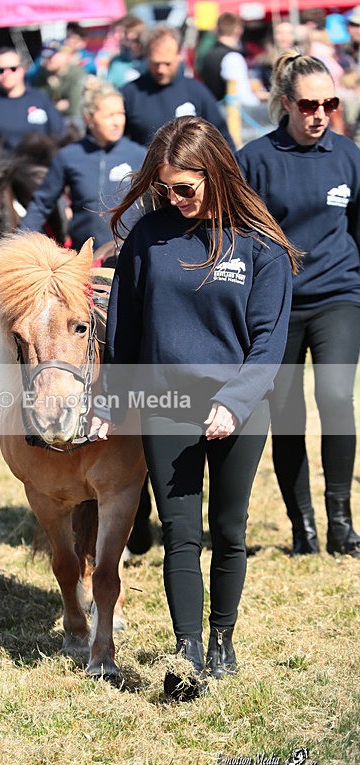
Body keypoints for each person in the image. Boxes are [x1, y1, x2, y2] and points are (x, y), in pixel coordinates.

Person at [90, 115, 297, 700]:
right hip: (165, 402)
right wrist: (111, 398)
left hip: (241, 407)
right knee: (181, 532)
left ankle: (223, 639)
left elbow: (269, 340)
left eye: (186, 187)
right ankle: (187, 653)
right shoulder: (147, 239)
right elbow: (124, 332)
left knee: (228, 530)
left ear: (217, 173)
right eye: (165, 188)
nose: (174, 198)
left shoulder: (261, 245)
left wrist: (233, 403)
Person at [237, 52, 360, 559]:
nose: (319, 114)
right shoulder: (254, 159)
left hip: (339, 297)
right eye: (309, 104)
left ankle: (341, 522)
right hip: (278, 305)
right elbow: (240, 237)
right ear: (285, 102)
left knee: (334, 396)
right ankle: (302, 528)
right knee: (286, 414)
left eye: (329, 103)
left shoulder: (349, 155)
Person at [20, 77, 146, 250]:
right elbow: (41, 204)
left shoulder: (139, 155)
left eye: (121, 113)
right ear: (89, 119)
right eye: (109, 116)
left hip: (131, 253)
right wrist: (18, 242)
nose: (117, 122)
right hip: (85, 258)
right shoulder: (69, 156)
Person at [121, 25, 235, 149]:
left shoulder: (197, 91)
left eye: (167, 63)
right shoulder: (130, 94)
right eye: (156, 63)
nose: (161, 70)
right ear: (147, 57)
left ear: (179, 55)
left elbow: (223, 139)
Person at [0, 47, 64, 154]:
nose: (6, 73)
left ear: (22, 69)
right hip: (4, 166)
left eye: (13, 69)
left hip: (39, 165)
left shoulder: (40, 98)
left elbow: (57, 133)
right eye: (1, 70)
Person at [200, 12, 261, 106]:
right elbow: (244, 98)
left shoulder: (207, 55)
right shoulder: (233, 57)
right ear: (238, 30)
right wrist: (259, 100)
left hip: (213, 111)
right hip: (230, 115)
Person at [32, 39, 88, 131]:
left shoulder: (77, 74)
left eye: (52, 56)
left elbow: (74, 108)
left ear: (64, 55)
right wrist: (57, 106)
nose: (48, 60)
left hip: (74, 124)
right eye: (46, 57)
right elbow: (38, 106)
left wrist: (51, 106)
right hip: (50, 123)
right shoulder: (41, 75)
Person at [106, 15, 147, 89]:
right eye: (114, 32)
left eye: (120, 32)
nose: (116, 36)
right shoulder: (116, 61)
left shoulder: (148, 60)